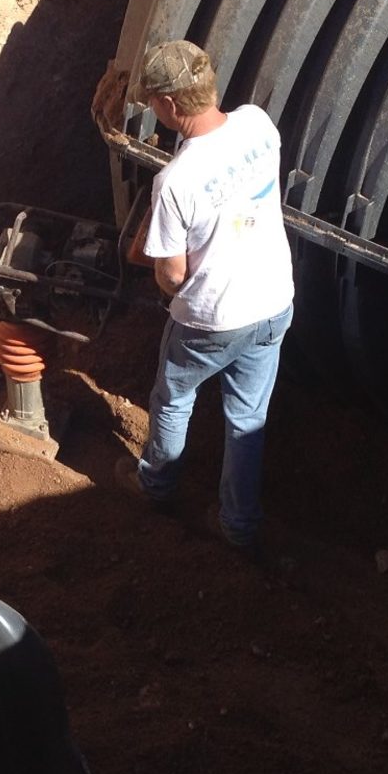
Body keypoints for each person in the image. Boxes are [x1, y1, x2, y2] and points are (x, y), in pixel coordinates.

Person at [117, 39, 294, 552]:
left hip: (213, 319)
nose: (152, 109)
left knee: (172, 400)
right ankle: (239, 527)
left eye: (153, 101)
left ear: (170, 106)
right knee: (247, 418)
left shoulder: (176, 181)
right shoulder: (258, 123)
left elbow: (171, 275)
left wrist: (170, 289)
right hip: (274, 301)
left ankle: (154, 486)